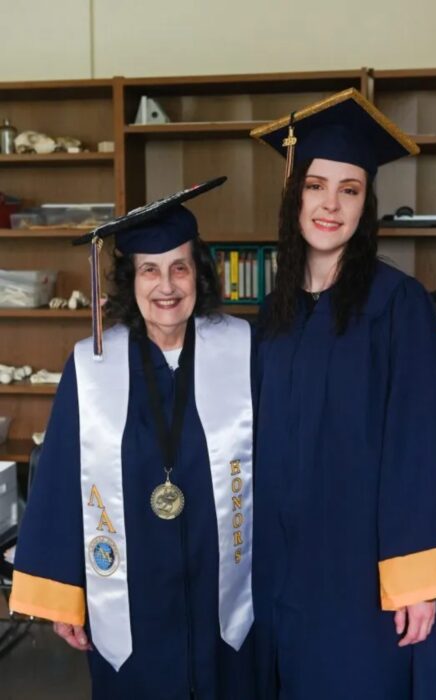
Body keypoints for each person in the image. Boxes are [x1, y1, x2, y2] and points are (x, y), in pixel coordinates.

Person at [250, 89, 436, 699]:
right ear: (292, 194)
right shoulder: (266, 316)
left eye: (348, 190)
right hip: (277, 570)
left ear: (365, 204)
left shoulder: (397, 307)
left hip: (364, 580)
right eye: (316, 185)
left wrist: (419, 580)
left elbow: (428, 448)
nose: (330, 204)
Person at [10, 178, 256, 700]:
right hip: (130, 596)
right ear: (130, 279)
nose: (166, 285)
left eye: (179, 267)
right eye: (149, 269)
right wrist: (65, 594)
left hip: (227, 598)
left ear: (199, 274)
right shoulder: (92, 365)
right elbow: (59, 480)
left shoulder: (243, 350)